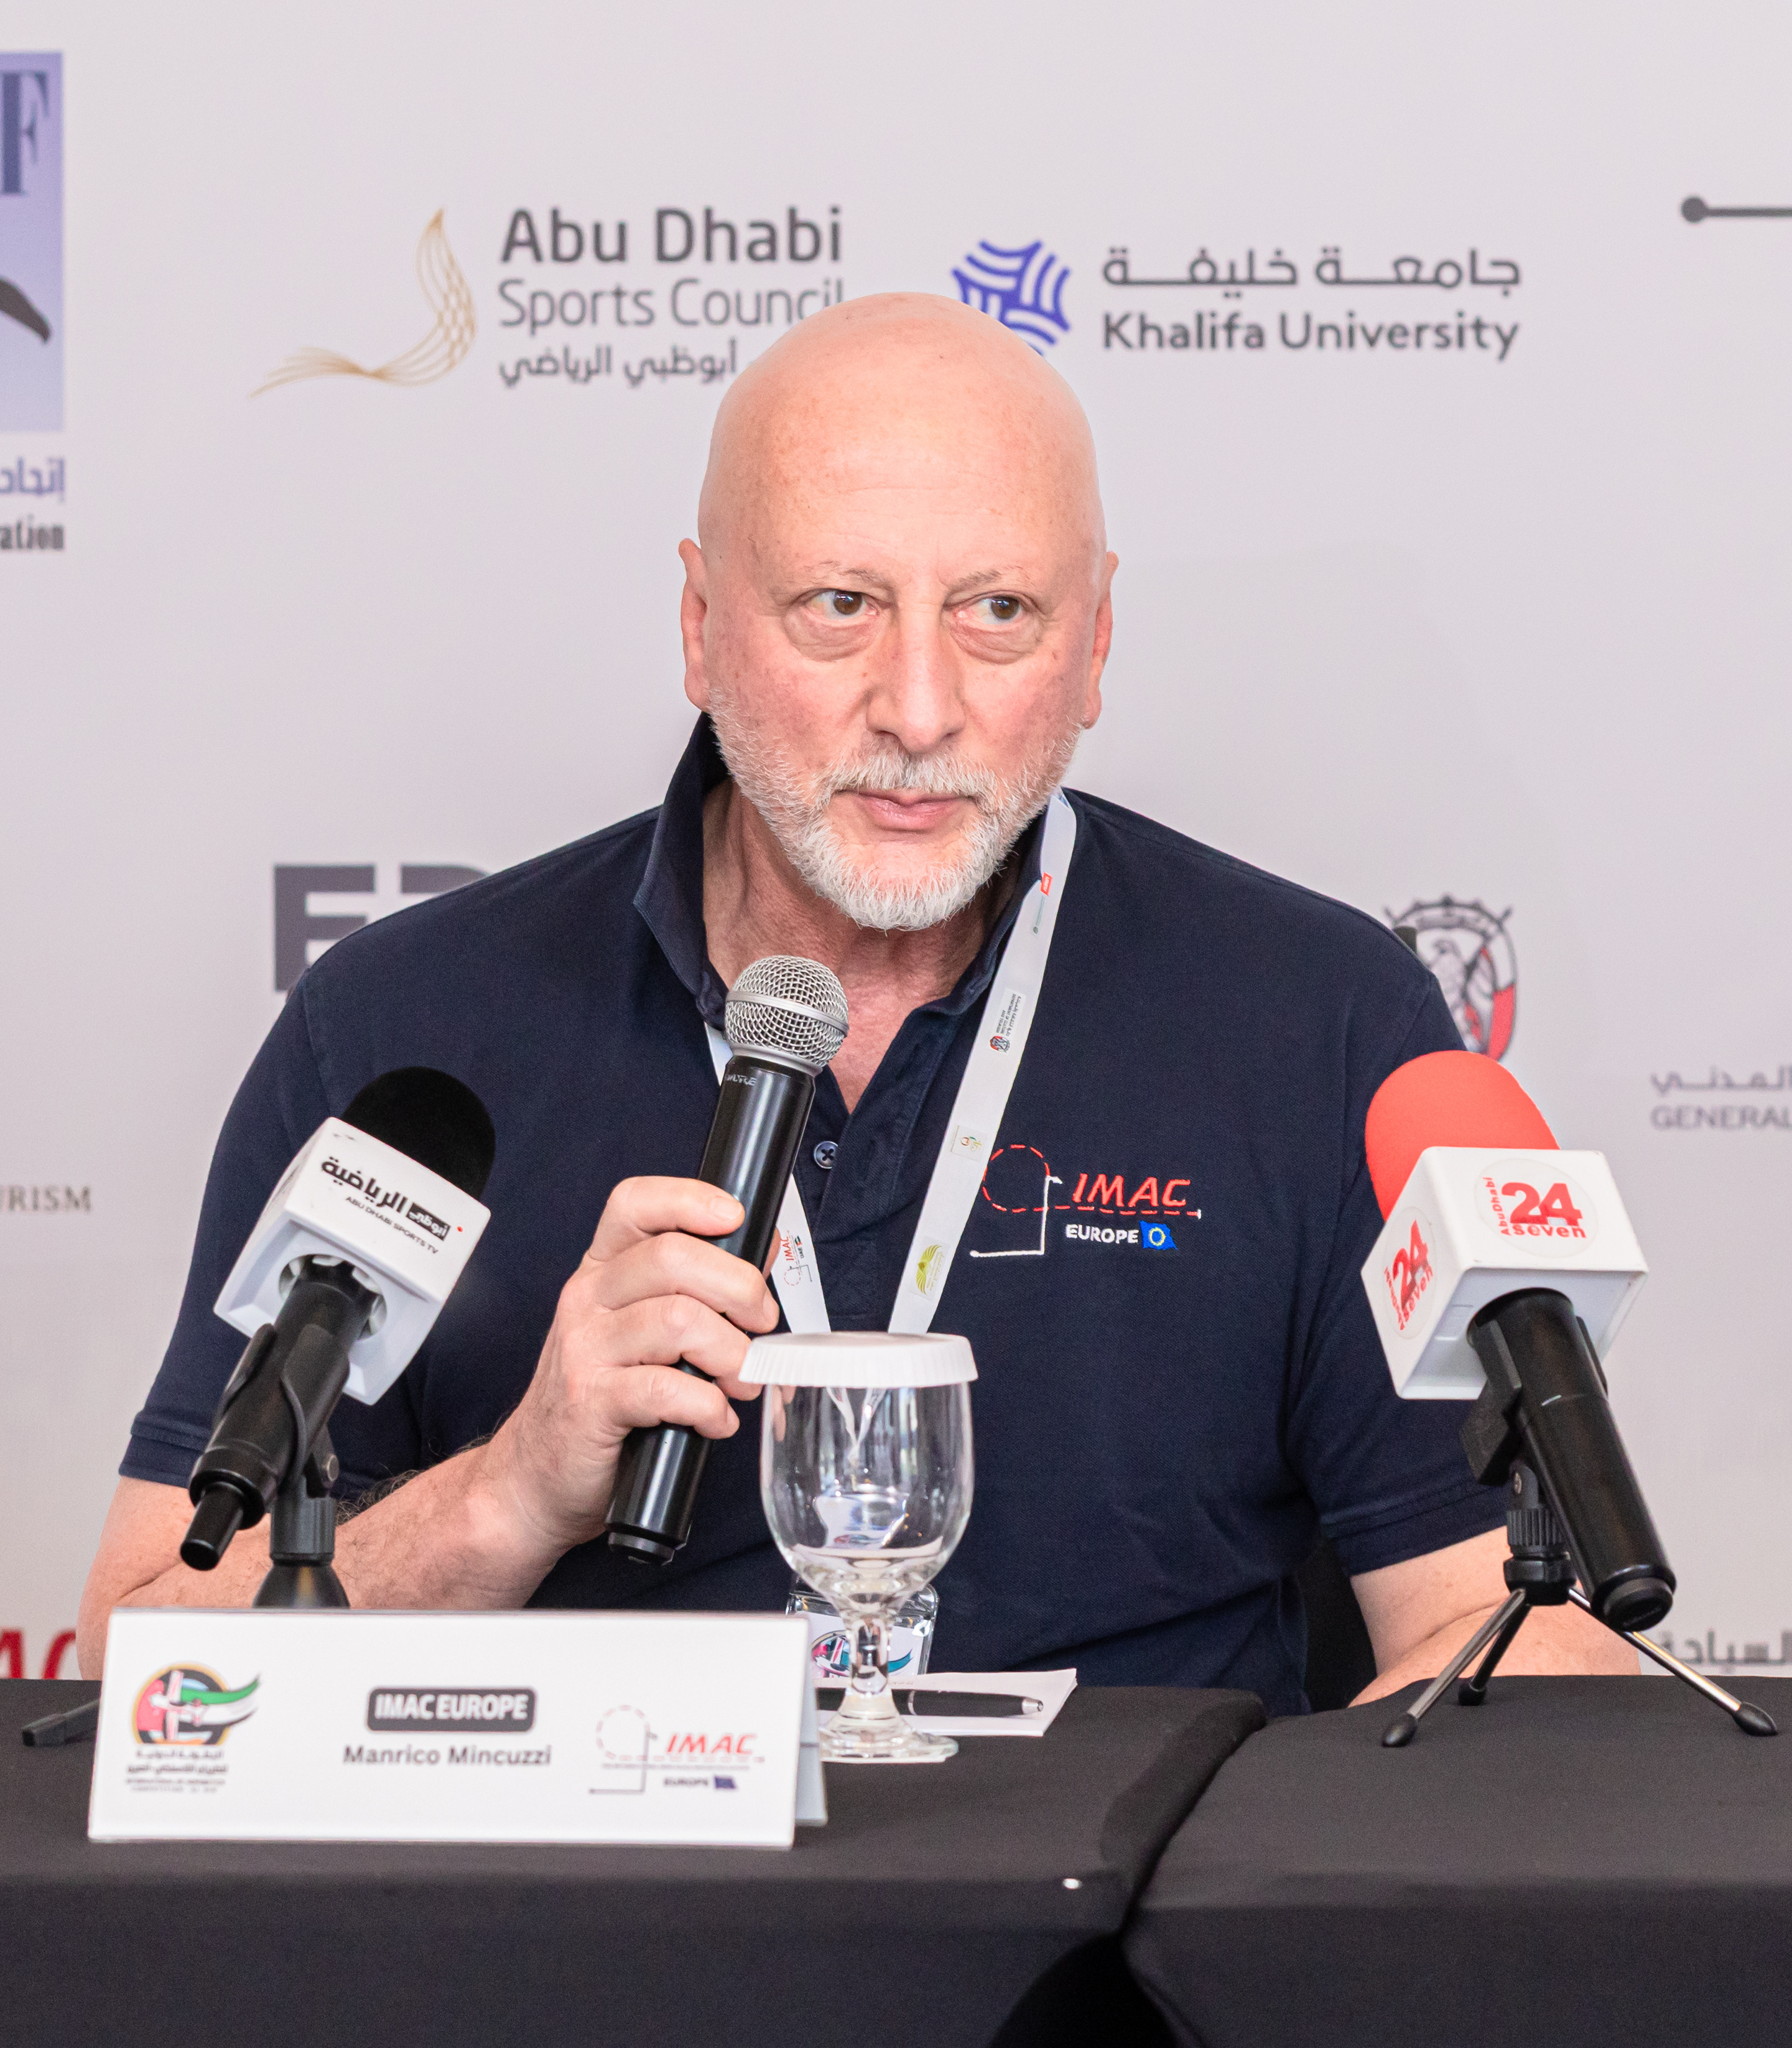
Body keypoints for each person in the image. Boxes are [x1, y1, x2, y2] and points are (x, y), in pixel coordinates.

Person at [77, 293, 1630, 1705]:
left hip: (1129, 1922)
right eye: (838, 604)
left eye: (998, 611)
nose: (920, 708)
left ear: (1096, 643)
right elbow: (149, 1677)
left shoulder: (1320, 1022)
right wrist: (507, 1493)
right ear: (700, 627)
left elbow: (1507, 1639)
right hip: (598, 1922)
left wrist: (1250, 1914)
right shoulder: (406, 1030)